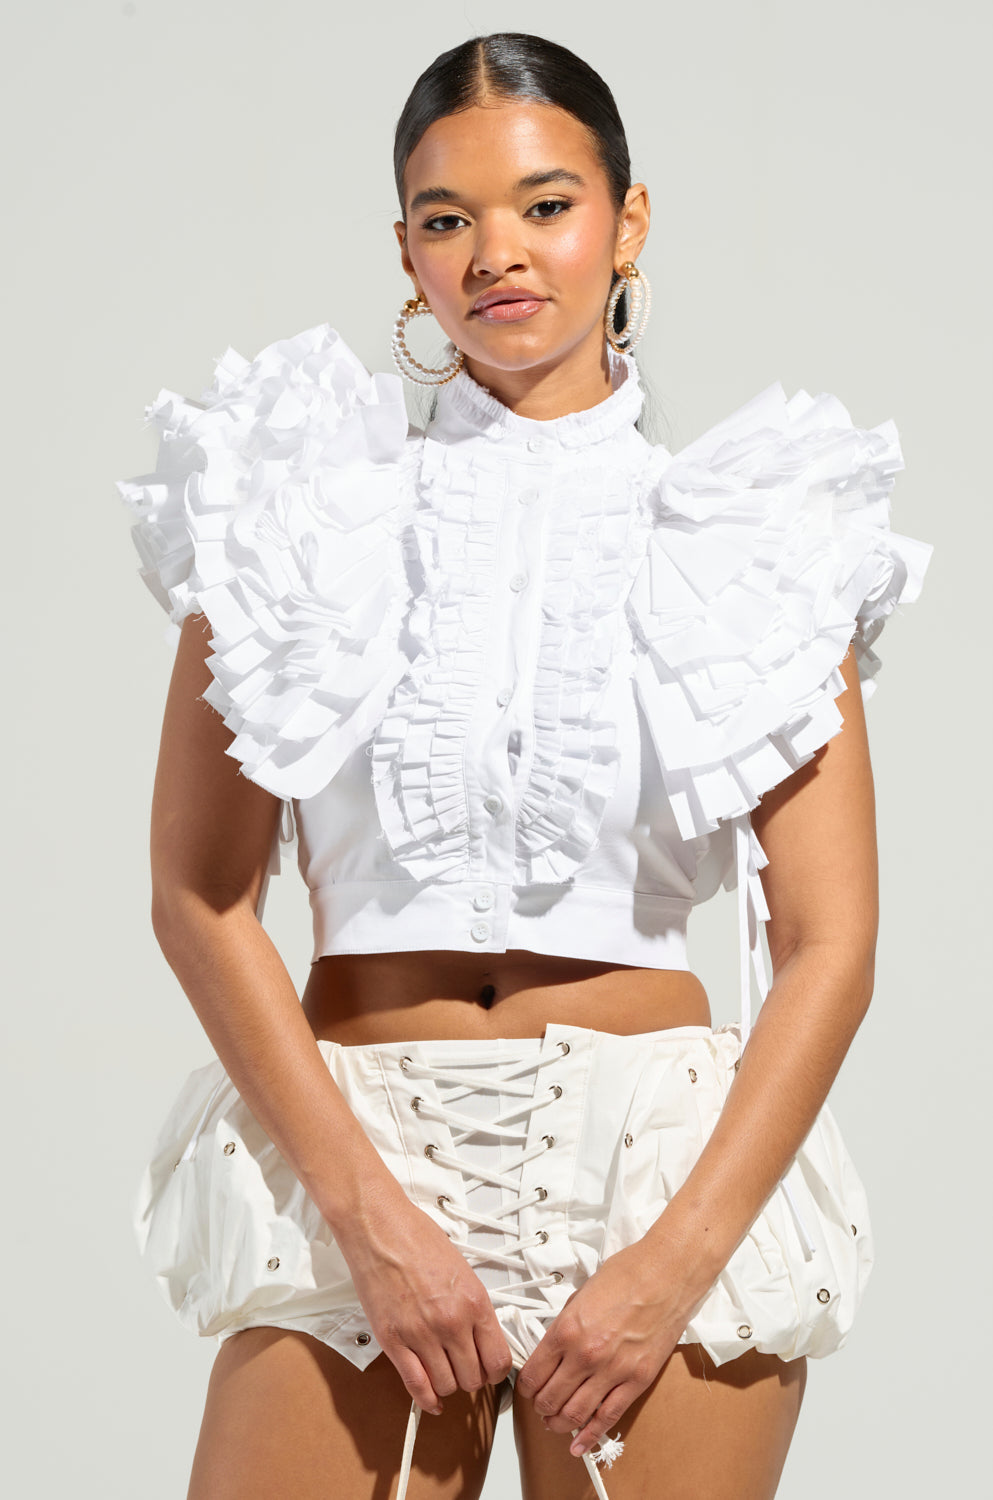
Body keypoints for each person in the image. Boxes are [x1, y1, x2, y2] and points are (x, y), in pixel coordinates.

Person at [116, 31, 932, 1500]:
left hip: (660, 1174)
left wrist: (672, 1263)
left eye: (546, 205)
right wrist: (369, 1224)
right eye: (447, 218)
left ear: (625, 222)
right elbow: (198, 895)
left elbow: (831, 941)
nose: (497, 252)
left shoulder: (759, 532)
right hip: (346, 1146)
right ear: (407, 252)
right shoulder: (290, 507)